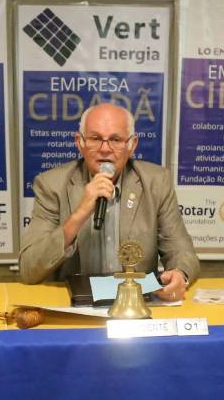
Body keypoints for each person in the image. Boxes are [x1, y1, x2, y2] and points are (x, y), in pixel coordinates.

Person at [19, 103, 199, 301]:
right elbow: (29, 269)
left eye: (115, 139)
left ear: (132, 145)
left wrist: (180, 274)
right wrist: (80, 214)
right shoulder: (51, 185)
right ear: (80, 142)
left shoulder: (157, 182)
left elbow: (181, 251)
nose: (105, 149)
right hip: (76, 303)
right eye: (95, 138)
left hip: (136, 302)